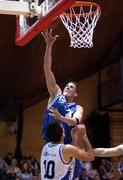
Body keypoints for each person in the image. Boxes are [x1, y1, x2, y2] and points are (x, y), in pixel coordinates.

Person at [41, 29, 83, 179]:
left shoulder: (78, 107)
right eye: (67, 85)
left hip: (69, 149)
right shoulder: (55, 94)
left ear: (75, 94)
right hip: (52, 148)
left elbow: (75, 120)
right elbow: (47, 70)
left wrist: (61, 118)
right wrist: (49, 46)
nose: (67, 87)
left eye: (71, 87)